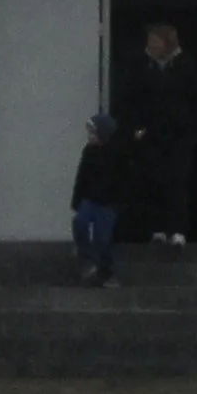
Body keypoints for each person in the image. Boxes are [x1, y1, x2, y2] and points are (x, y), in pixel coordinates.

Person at [111, 15, 197, 246]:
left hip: (178, 136)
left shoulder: (186, 66)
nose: (150, 46)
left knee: (177, 183)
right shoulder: (141, 66)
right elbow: (130, 100)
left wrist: (192, 132)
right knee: (151, 182)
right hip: (150, 135)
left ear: (167, 43)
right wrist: (135, 128)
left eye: (155, 42)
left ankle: (177, 231)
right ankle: (156, 230)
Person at [68, 111, 127, 287]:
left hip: (108, 204)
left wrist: (120, 203)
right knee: (80, 222)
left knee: (103, 238)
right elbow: (82, 176)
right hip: (89, 199)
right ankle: (85, 257)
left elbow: (124, 180)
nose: (89, 136)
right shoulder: (89, 152)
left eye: (93, 133)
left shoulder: (117, 154)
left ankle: (106, 272)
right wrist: (77, 200)